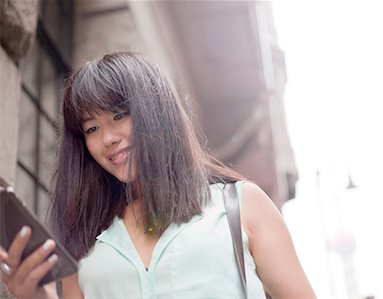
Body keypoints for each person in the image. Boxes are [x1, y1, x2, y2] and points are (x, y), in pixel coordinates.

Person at [0, 51, 316, 299]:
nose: (107, 138)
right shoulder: (83, 239)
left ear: (157, 111)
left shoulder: (240, 204)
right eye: (91, 128)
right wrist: (36, 295)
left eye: (119, 115)